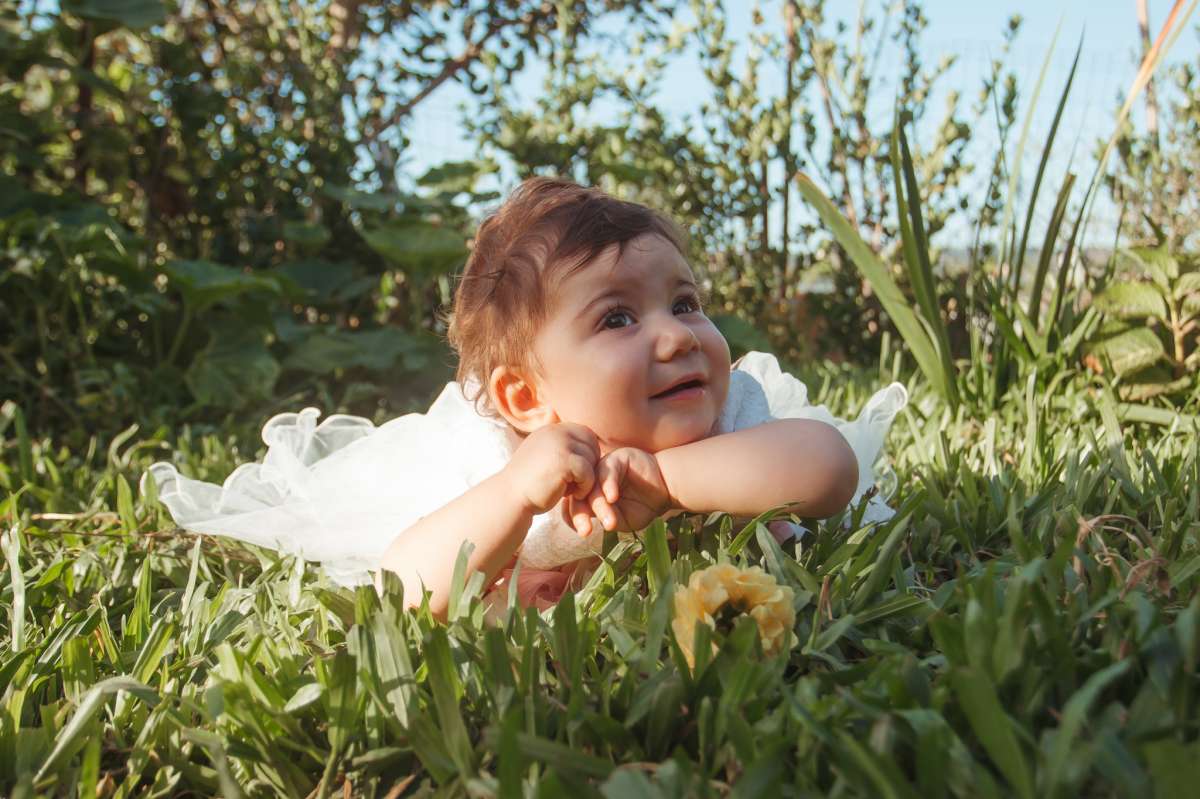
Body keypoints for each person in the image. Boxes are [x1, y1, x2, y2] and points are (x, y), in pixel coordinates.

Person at [146, 177, 907, 619]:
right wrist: (515, 495)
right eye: (617, 317)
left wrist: (668, 481)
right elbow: (405, 584)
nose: (676, 337)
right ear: (526, 396)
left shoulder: (730, 415)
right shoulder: (502, 463)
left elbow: (828, 470)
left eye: (684, 302)